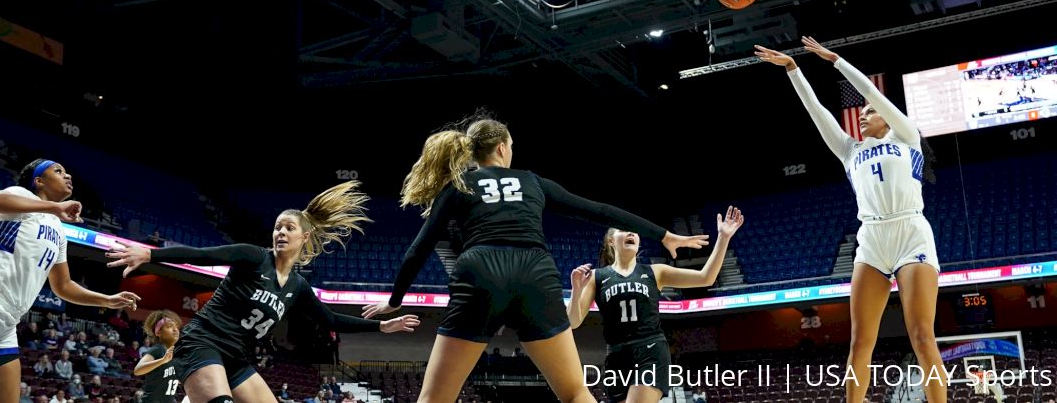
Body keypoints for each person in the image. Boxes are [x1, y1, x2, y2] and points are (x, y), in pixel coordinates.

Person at [362, 116, 706, 403]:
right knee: (574, 393)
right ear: (501, 147)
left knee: (434, 399)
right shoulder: (533, 181)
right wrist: (664, 234)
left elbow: (417, 249)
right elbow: (599, 211)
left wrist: (394, 301)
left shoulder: (458, 185)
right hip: (535, 273)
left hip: (481, 271)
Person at [106, 181, 421, 403]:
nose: (280, 232)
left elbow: (330, 320)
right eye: (277, 227)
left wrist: (381, 326)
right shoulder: (254, 256)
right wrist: (150, 255)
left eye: (288, 228)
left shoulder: (298, 286)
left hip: (238, 358)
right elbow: (205, 255)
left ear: (305, 236)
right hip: (203, 344)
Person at [755, 38, 944, 403]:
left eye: (870, 112)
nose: (862, 113)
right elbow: (816, 111)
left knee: (922, 335)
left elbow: (871, 89)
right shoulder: (849, 151)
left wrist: (836, 61)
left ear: (887, 117)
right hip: (871, 237)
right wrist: (793, 70)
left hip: (911, 233)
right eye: (861, 112)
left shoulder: (906, 138)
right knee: (860, 342)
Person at [0, 159, 141, 403]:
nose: (67, 176)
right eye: (58, 171)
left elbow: (63, 286)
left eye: (68, 172)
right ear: (39, 181)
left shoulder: (57, 228)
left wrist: (107, 300)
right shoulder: (20, 196)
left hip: (7, 324)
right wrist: (54, 208)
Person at [567, 207, 745, 403]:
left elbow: (706, 277)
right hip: (616, 357)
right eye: (623, 229)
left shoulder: (655, 272)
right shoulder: (596, 277)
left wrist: (724, 238)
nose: (631, 233)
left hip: (650, 350)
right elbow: (573, 322)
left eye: (634, 230)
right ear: (611, 240)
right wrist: (576, 291)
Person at [133, 311, 181, 403]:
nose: (175, 330)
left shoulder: (176, 354)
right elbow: (137, 370)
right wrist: (162, 360)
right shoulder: (158, 349)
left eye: (176, 327)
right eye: (169, 326)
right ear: (158, 332)